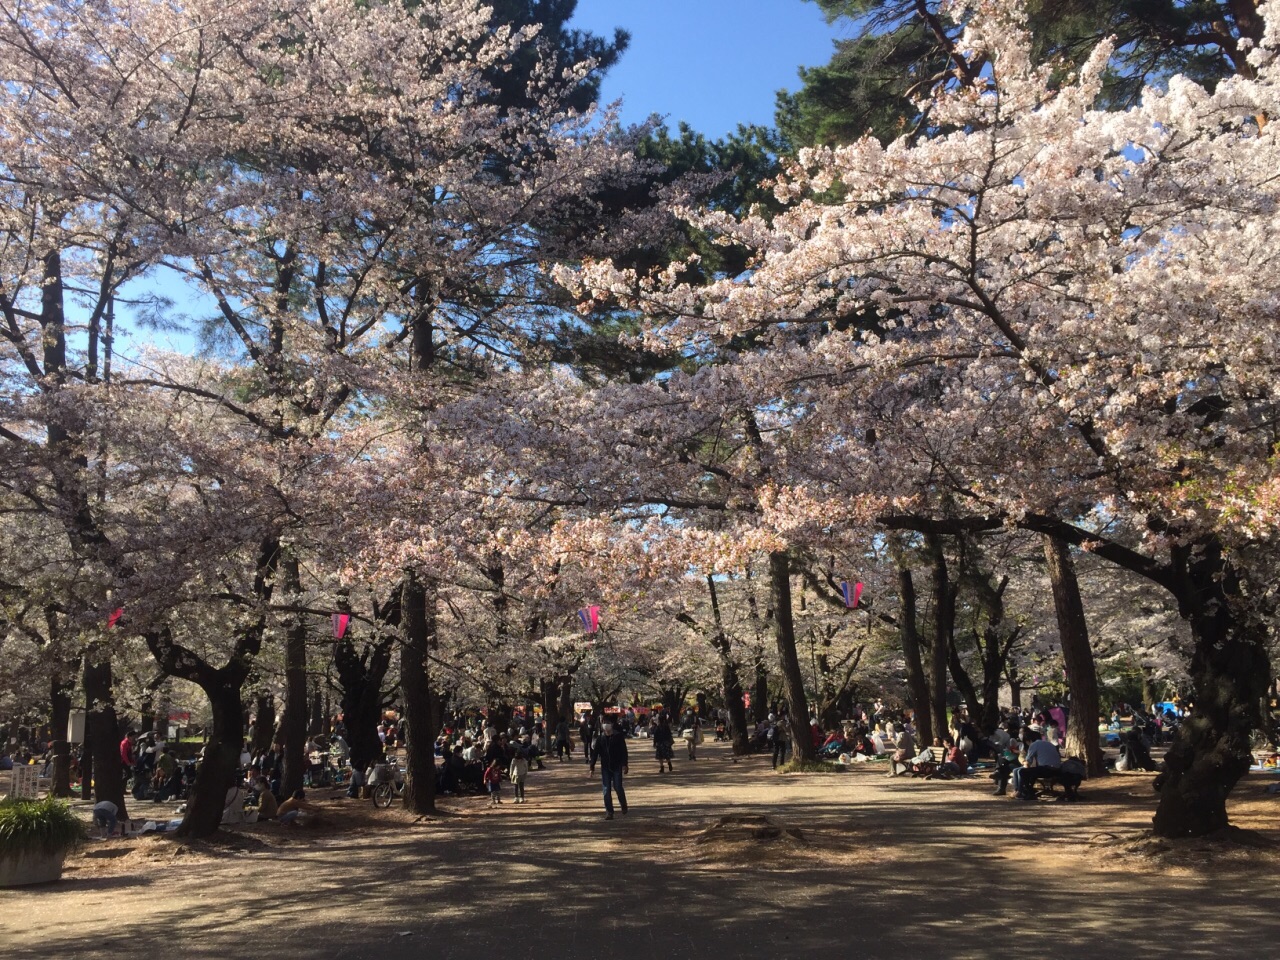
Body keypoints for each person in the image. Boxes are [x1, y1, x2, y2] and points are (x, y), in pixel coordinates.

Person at [589, 716, 629, 820]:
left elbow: (623, 751)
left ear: (612, 724)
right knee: (606, 790)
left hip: (617, 766)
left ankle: (623, 804)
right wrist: (592, 766)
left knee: (618, 787)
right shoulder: (600, 738)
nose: (606, 725)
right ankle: (609, 812)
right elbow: (595, 753)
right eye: (604, 723)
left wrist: (625, 764)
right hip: (605, 767)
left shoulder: (618, 736)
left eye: (608, 722)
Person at [1012, 730, 1061, 799]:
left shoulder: (1034, 744)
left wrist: (1025, 763)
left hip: (1047, 769)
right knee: (1024, 771)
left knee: (1022, 772)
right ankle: (1020, 791)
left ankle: (1025, 792)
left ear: (1029, 740)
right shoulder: (1049, 743)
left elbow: (1028, 761)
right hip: (1057, 769)